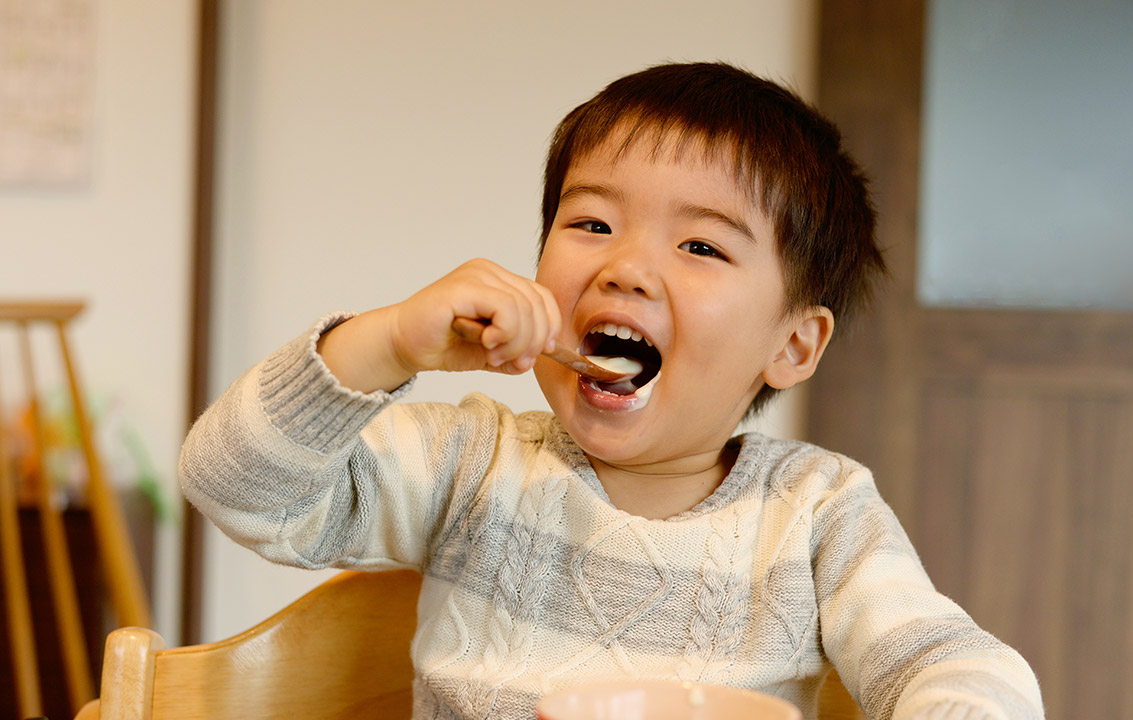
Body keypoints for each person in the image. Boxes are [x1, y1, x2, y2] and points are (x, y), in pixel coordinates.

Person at [180, 62, 1045, 720]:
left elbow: (947, 661)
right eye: (591, 223)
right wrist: (388, 339)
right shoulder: (471, 462)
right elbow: (231, 481)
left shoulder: (820, 513)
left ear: (791, 344)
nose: (626, 267)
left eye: (701, 247)